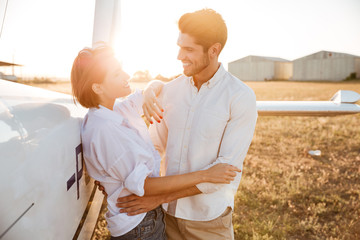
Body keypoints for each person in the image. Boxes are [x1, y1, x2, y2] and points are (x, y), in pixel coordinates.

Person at [70, 44, 241, 239]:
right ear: (97, 87)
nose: (127, 75)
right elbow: (145, 186)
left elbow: (156, 88)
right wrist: (206, 175)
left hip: (141, 220)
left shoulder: (113, 111)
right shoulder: (105, 130)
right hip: (139, 224)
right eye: (117, 74)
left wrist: (150, 90)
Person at [116, 8, 258, 240]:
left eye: (189, 49)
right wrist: (117, 178)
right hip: (165, 218)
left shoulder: (240, 96)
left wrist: (158, 198)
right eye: (180, 46)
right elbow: (152, 148)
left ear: (214, 50)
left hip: (208, 220)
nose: (180, 56)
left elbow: (224, 172)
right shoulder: (169, 91)